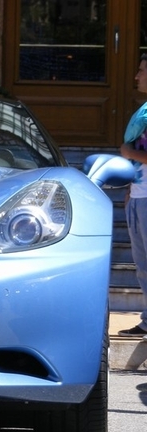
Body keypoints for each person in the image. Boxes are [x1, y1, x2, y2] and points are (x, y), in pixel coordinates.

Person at [118, 53, 147, 339]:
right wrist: (130, 188)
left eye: (141, 71)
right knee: (142, 266)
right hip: (139, 196)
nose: (137, 77)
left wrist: (128, 153)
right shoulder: (144, 114)